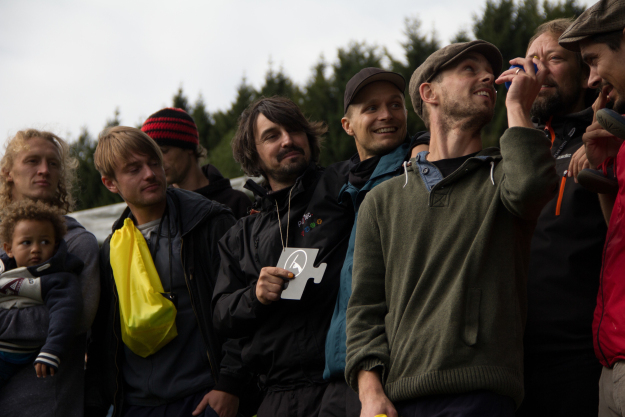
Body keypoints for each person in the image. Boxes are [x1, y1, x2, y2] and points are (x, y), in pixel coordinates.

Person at [345, 40, 558, 417]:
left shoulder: (503, 176)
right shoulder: (382, 200)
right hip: (395, 401)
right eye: (469, 69)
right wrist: (370, 392)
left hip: (482, 393)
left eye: (489, 71)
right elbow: (364, 309)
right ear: (429, 93)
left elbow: (531, 190)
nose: (488, 77)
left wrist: (517, 107)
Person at [212, 96, 354, 417]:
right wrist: (255, 296)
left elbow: (387, 152)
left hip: (345, 383)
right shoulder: (240, 235)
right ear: (254, 154)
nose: (288, 140)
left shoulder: (342, 184)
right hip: (276, 395)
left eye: (294, 130)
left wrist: (421, 142)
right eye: (272, 135)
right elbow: (221, 314)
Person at [85, 126, 240, 417]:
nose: (150, 173)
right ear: (110, 183)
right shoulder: (110, 249)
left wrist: (230, 385)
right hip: (137, 406)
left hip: (204, 398)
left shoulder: (209, 222)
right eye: (134, 169)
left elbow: (240, 309)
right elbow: (104, 341)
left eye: (154, 162)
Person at [323, 67, 428, 416]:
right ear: (347, 125)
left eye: (395, 104)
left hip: (391, 376)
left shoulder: (417, 173)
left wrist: (424, 140)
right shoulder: (339, 192)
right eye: (371, 107)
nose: (386, 115)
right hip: (339, 378)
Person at [516, 18, 607, 417]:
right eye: (531, 60)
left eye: (552, 58)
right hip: (514, 354)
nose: (538, 71)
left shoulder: (607, 134)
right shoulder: (518, 143)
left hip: (584, 353)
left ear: (586, 69)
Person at [0, 129, 100, 417]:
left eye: (53, 163)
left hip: (45, 405)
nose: (44, 170)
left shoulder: (77, 242)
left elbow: (74, 318)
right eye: (32, 160)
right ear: (8, 172)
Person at [559, 2, 625, 415]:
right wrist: (605, 171)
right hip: (611, 363)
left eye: (594, 60)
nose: (592, 79)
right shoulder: (619, 127)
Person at [0, 200, 82, 384]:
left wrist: (52, 349)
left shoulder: (58, 279)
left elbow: (66, 314)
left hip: (11, 353)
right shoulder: (2, 269)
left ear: (55, 245)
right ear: (9, 249)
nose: (36, 249)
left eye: (45, 241)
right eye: (26, 242)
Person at [141, 107, 250, 218]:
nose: (157, 162)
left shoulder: (236, 202)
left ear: (189, 147)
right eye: (152, 157)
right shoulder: (160, 211)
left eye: (163, 151)